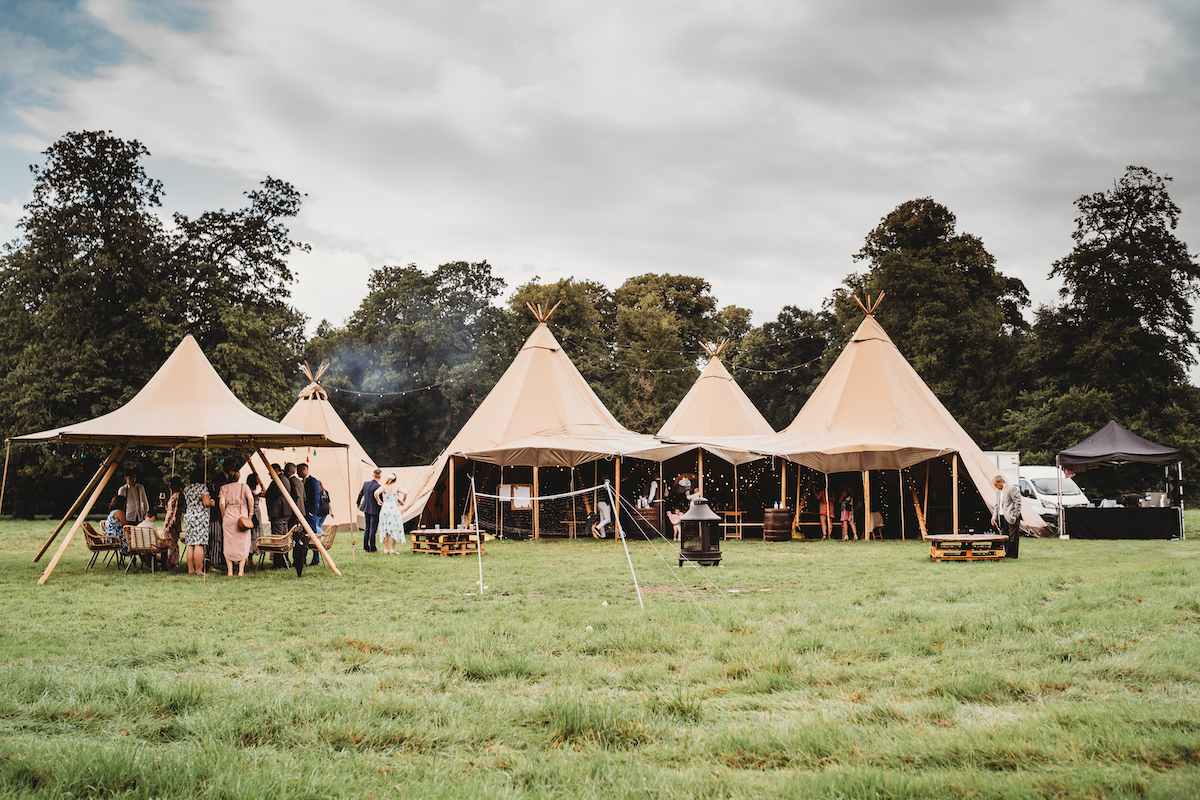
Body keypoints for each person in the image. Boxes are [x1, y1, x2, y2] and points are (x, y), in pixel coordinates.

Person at [219, 471, 254, 577]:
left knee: (228, 543)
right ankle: (240, 570)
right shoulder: (244, 486)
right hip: (242, 516)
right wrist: (250, 513)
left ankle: (230, 570)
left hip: (229, 516)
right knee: (243, 542)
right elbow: (251, 498)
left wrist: (223, 514)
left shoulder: (224, 488)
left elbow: (221, 503)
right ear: (238, 477)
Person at [182, 468, 213, 575]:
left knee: (190, 544)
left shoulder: (187, 487)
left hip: (189, 516)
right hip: (199, 517)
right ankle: (199, 569)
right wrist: (212, 502)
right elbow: (206, 502)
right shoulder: (202, 487)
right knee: (199, 544)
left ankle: (191, 569)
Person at [285, 462, 309, 576]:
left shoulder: (291, 482)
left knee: (294, 538)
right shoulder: (300, 481)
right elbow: (304, 497)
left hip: (295, 514)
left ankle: (294, 560)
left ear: (289, 471)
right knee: (299, 537)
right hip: (302, 513)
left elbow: (297, 495)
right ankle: (298, 559)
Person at [264, 464, 290, 568]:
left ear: (276, 469)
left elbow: (273, 493)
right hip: (283, 512)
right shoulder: (283, 478)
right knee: (283, 536)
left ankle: (279, 562)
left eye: (270, 470)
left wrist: (265, 494)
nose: (269, 473)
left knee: (278, 537)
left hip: (279, 512)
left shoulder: (279, 479)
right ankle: (283, 559)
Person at [298, 463, 324, 566]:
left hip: (310, 513)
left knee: (312, 536)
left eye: (299, 471)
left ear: (304, 469)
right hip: (304, 513)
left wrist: (311, 512)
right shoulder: (303, 482)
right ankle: (303, 558)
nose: (297, 473)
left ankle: (315, 558)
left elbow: (316, 497)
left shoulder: (313, 481)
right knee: (305, 536)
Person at [374, 473, 407, 554]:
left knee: (385, 528)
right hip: (394, 508)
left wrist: (378, 500)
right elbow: (405, 493)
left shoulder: (384, 486)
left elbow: (376, 493)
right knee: (393, 528)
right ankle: (392, 549)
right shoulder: (397, 486)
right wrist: (402, 501)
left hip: (385, 508)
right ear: (395, 479)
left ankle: (386, 549)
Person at [991, 474, 1022, 559]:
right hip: (1001, 517)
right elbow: (997, 505)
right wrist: (994, 517)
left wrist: (1016, 515)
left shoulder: (1011, 488)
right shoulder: (998, 491)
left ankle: (1013, 555)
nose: (995, 486)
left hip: (1011, 516)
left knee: (1013, 537)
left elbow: (1018, 502)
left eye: (995, 484)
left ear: (1001, 482)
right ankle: (1007, 554)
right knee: (1005, 537)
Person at [160, 475, 183, 570]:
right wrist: (165, 504)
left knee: (171, 542)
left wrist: (171, 523)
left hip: (172, 522)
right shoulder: (174, 495)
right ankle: (170, 560)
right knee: (169, 541)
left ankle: (172, 561)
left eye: (171, 485)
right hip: (169, 520)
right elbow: (170, 509)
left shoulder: (179, 495)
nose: (170, 487)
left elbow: (177, 511)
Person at [358, 468, 383, 553]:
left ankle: (366, 547)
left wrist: (358, 503)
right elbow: (380, 500)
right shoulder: (378, 487)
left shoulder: (366, 484)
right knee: (373, 529)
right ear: (379, 476)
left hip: (366, 508)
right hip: (374, 509)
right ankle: (373, 548)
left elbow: (360, 494)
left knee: (367, 528)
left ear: (373, 475)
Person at [245, 473, 264, 560]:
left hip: (257, 512)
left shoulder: (253, 489)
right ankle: (249, 556)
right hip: (252, 512)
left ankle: (251, 557)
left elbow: (264, 491)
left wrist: (261, 484)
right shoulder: (248, 490)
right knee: (252, 533)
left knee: (256, 532)